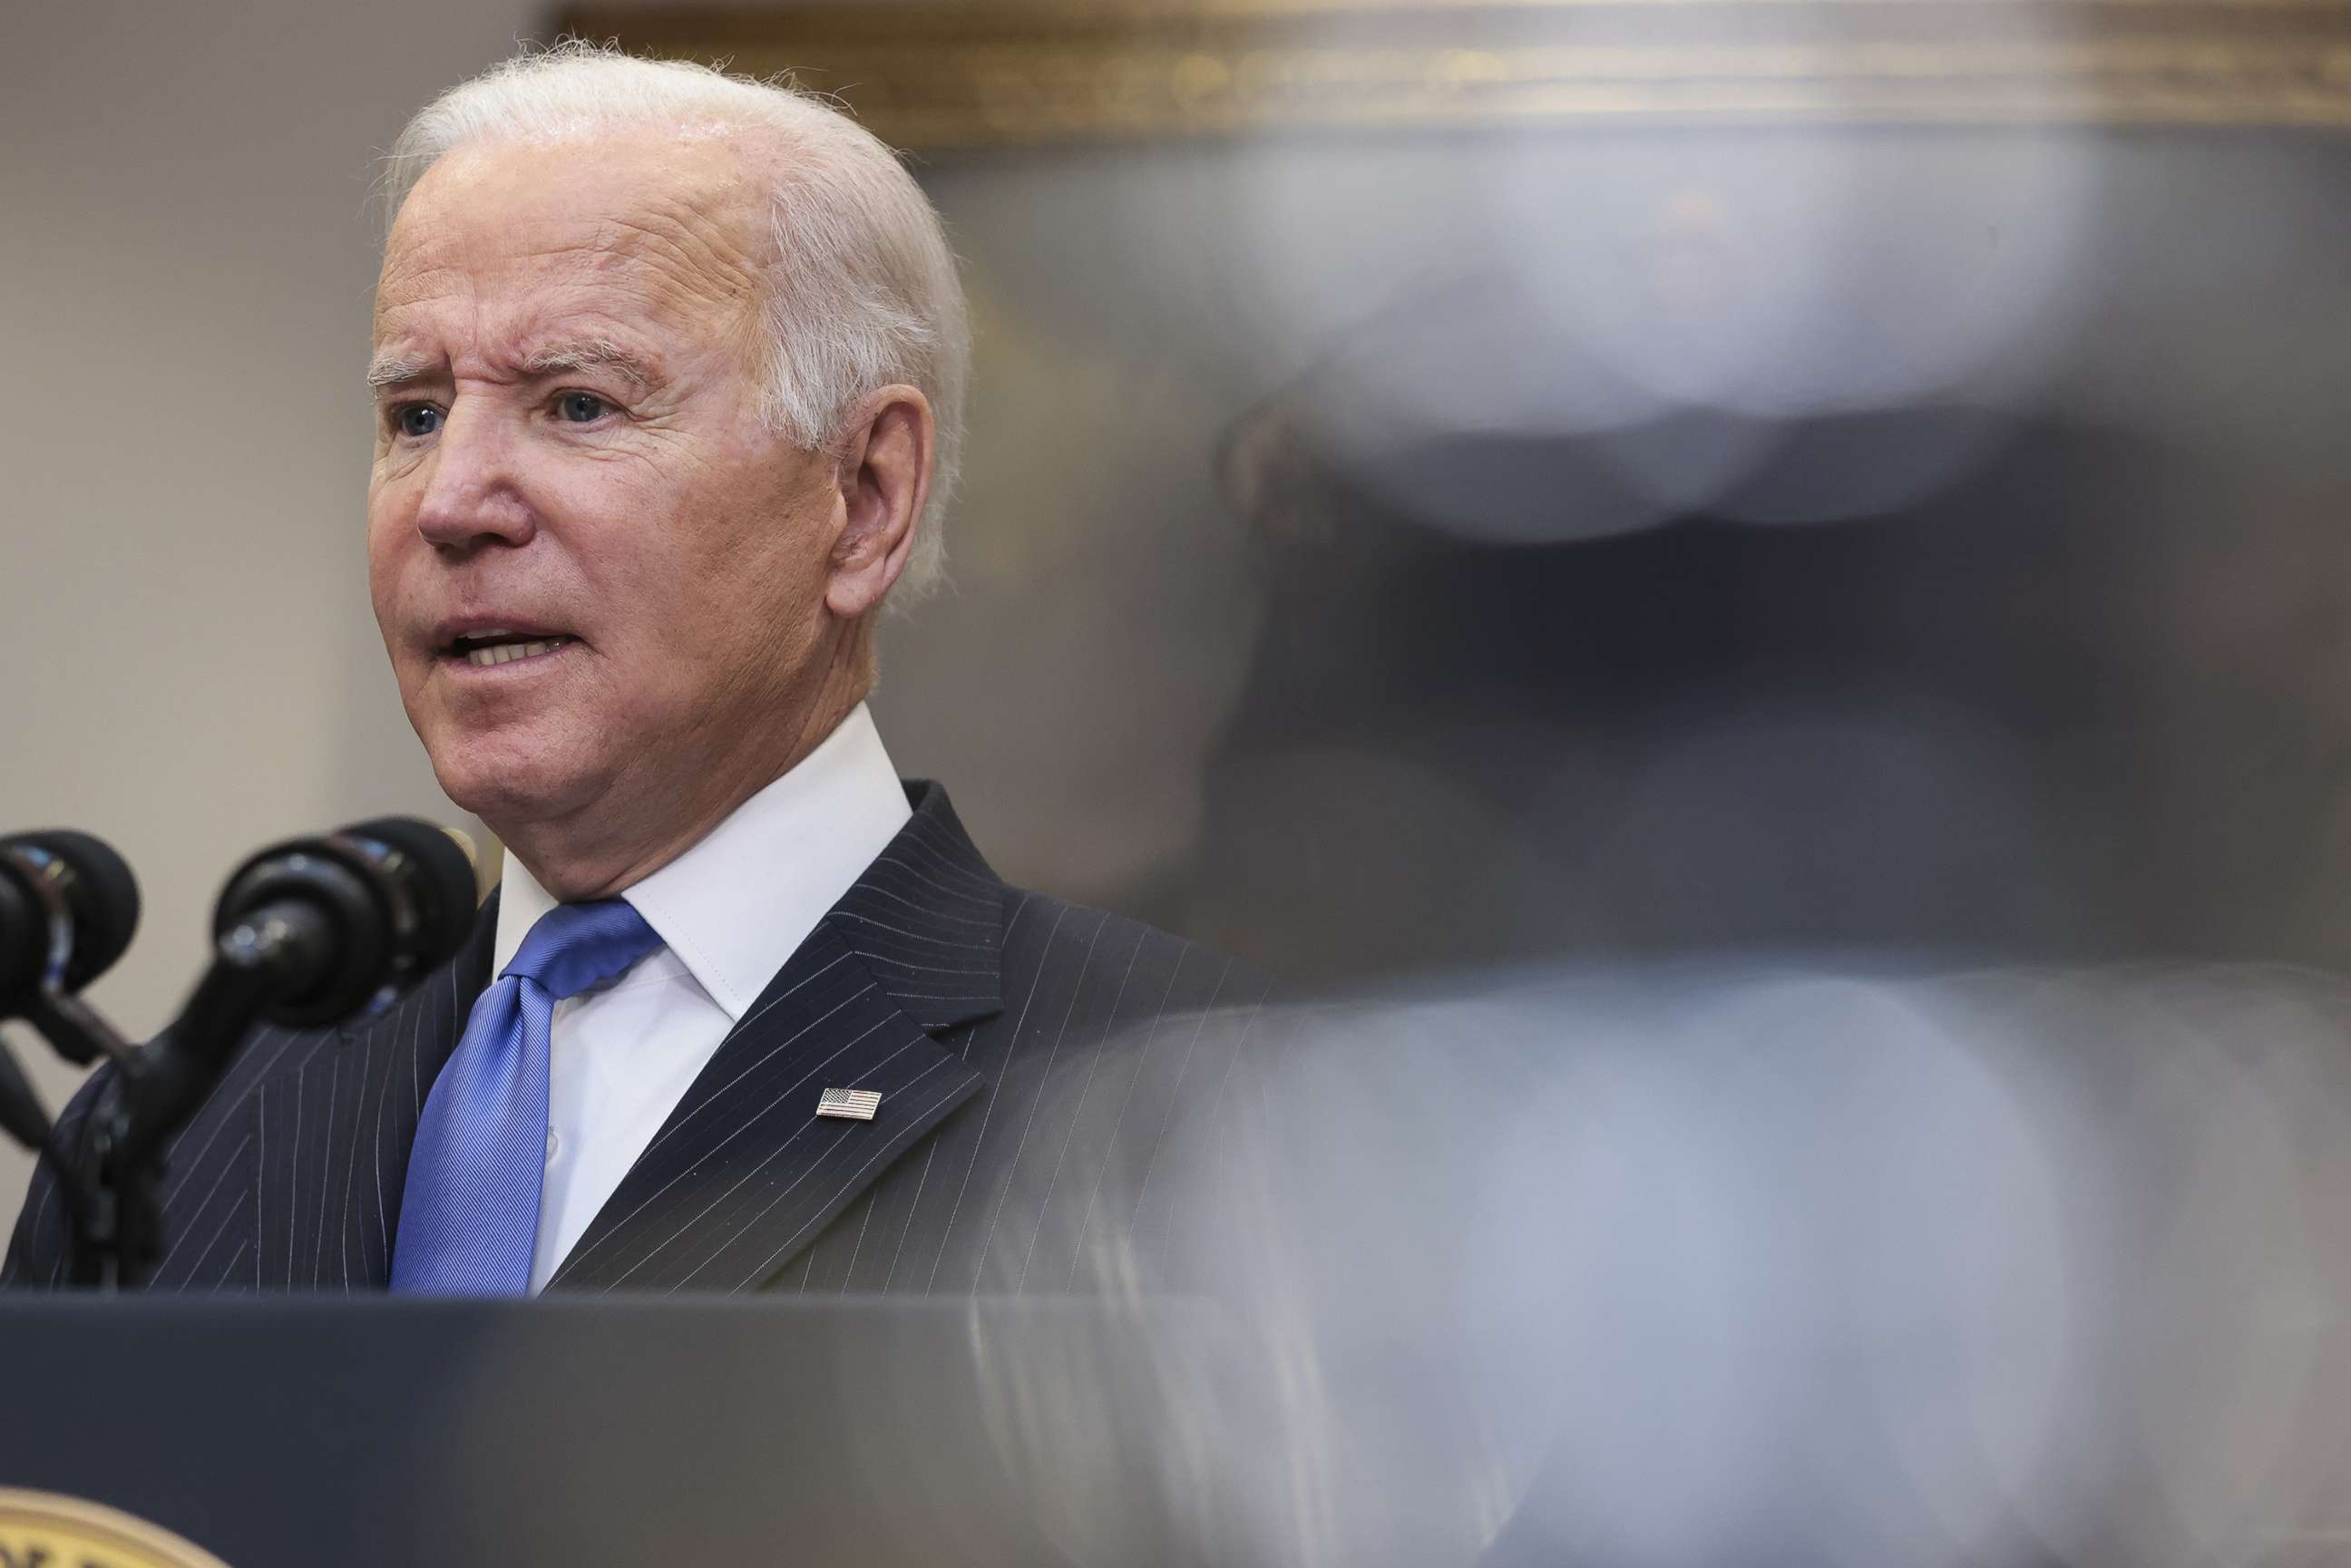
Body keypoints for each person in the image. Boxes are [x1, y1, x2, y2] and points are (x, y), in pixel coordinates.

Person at [5, 43, 1273, 1294]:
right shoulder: (157, 1141)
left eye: (577, 404)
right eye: (417, 414)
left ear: (865, 497)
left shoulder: (1205, 1117)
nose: (453, 502)